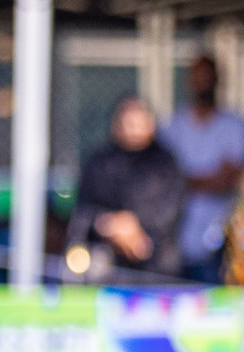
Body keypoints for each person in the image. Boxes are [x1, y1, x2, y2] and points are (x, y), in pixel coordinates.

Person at [68, 97, 184, 277]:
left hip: (156, 265)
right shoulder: (100, 163)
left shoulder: (165, 164)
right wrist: (110, 224)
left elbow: (171, 211)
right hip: (106, 265)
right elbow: (83, 210)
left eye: (138, 124)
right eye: (128, 123)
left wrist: (136, 230)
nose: (133, 130)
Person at [159, 56, 244, 283]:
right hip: (175, 238)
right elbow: (164, 179)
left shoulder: (233, 125)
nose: (202, 82)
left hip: (219, 242)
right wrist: (204, 179)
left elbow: (225, 182)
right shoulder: (173, 126)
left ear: (218, 80)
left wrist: (185, 181)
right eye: (198, 77)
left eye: (207, 76)